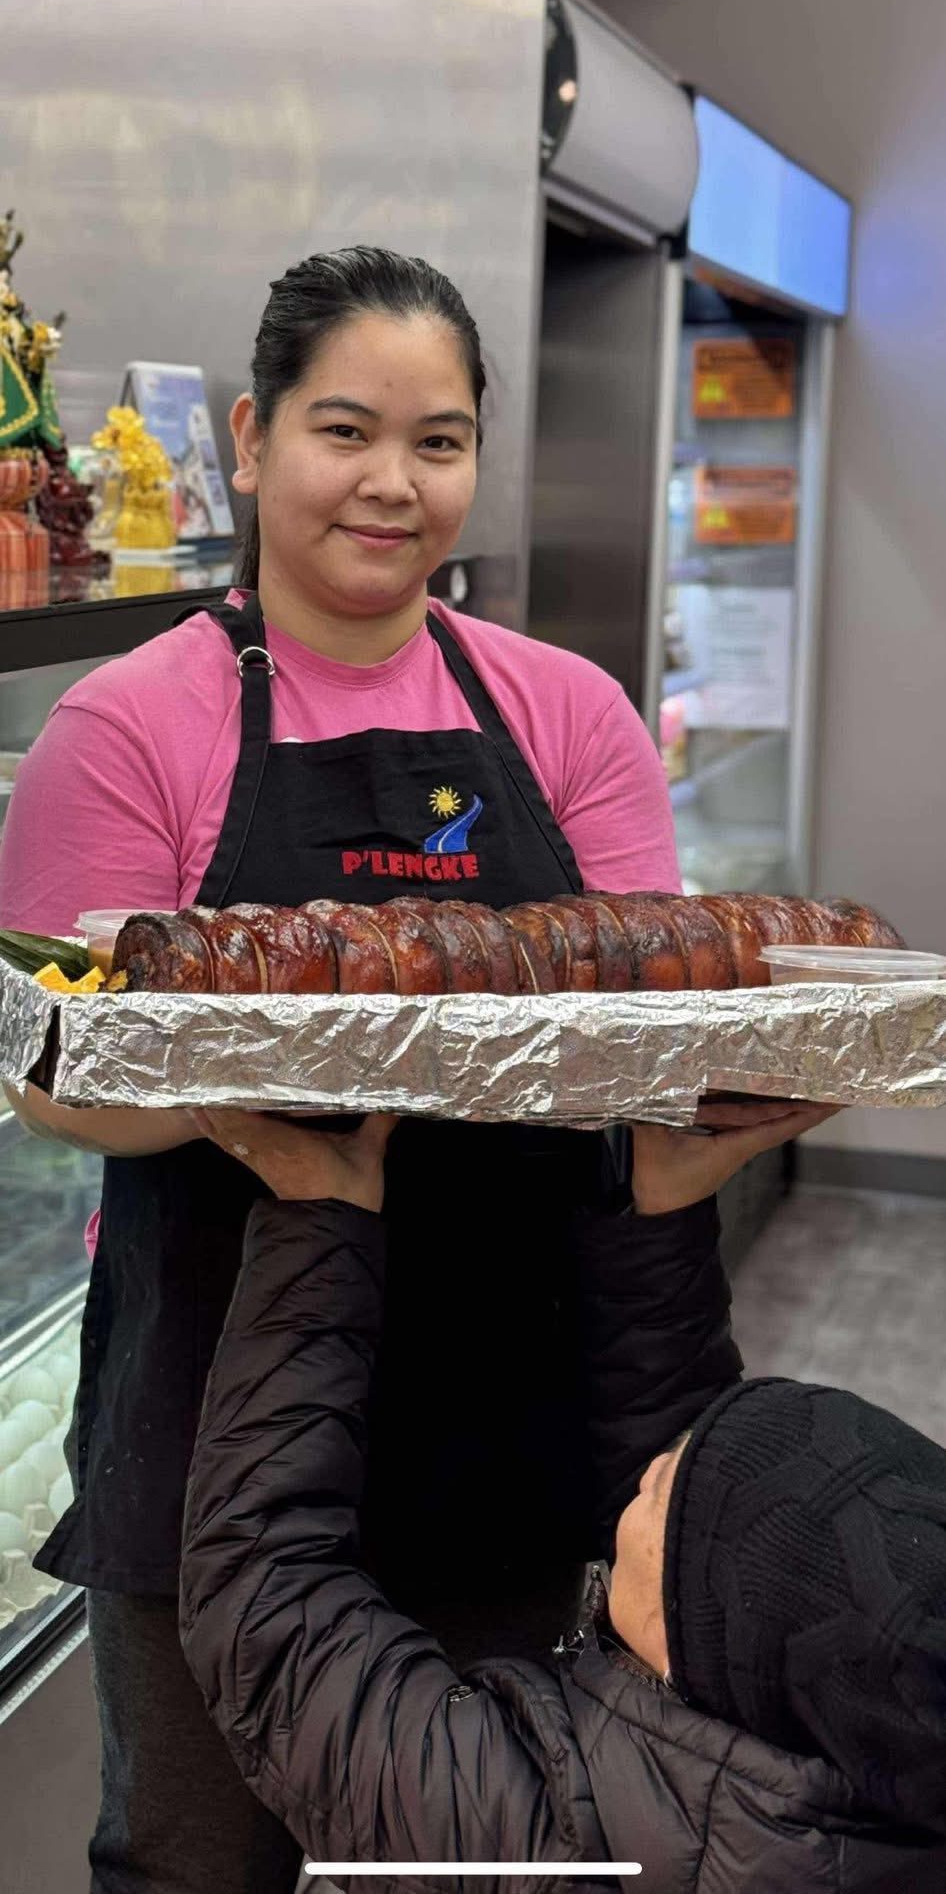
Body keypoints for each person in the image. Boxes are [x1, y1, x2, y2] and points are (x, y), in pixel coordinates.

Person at [0, 245, 828, 1892]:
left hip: (502, 1404)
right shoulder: (130, 725)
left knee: (472, 1855)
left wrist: (710, 1107)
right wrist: (242, 1100)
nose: (391, 481)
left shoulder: (564, 711)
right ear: (249, 436)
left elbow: (627, 1025)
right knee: (189, 1859)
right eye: (345, 428)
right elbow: (51, 1072)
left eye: (438, 441)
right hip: (208, 1408)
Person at [179, 1107, 946, 1890]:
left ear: (683, 1650)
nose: (653, 1472)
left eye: (672, 1505)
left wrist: (317, 1225)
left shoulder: (537, 1848)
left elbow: (265, 1607)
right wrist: (664, 1214)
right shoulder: (852, 1792)